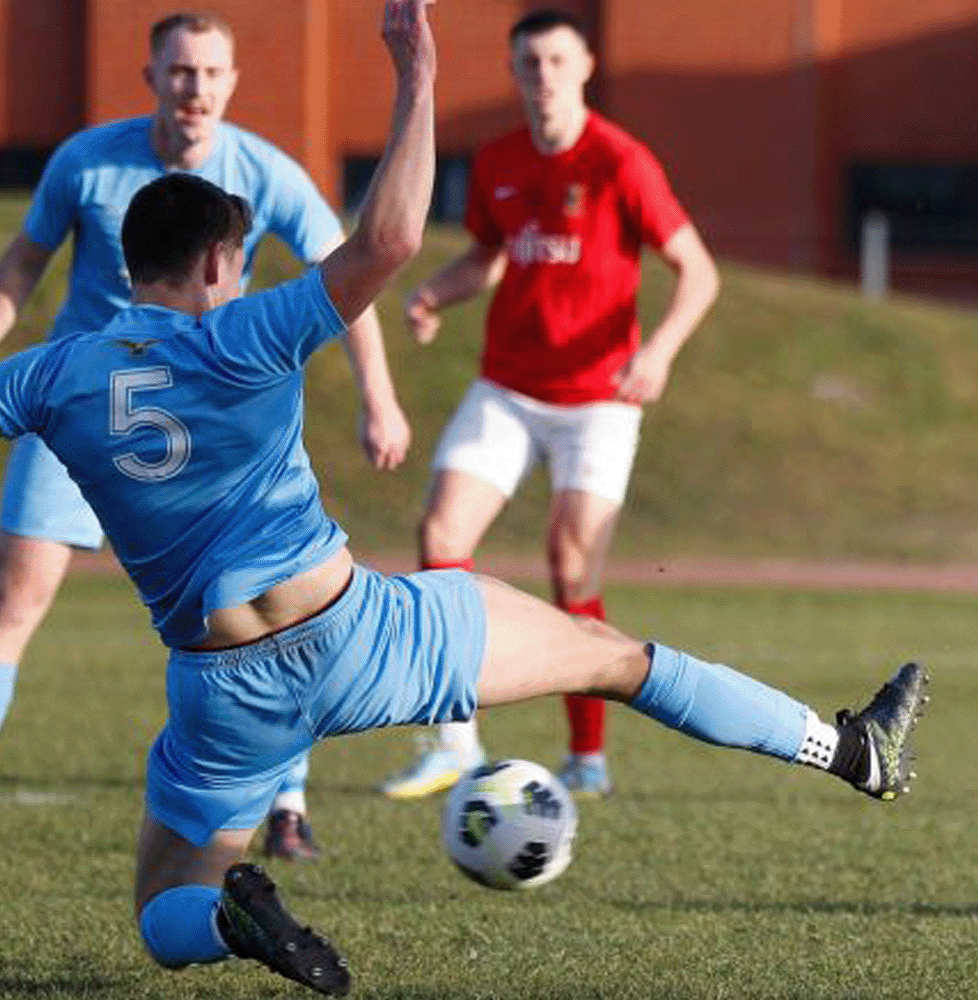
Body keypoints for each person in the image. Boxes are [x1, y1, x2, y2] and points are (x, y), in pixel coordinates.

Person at [0, 3, 926, 995]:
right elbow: (392, 237)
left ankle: (231, 916)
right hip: (364, 631)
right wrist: (416, 78)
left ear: (125, 261)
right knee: (619, 660)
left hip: (224, 690)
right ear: (220, 264)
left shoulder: (50, 377)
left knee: (159, 912)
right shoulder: (247, 333)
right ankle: (849, 749)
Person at [0, 10, 413, 861]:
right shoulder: (85, 160)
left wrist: (380, 394)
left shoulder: (268, 174)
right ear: (152, 77)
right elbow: (22, 266)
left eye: (211, 73)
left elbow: (348, 275)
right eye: (180, 71)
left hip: (214, 433)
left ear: (231, 83)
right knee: (14, 600)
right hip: (80, 409)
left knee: (271, 613)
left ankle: (287, 807)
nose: (194, 88)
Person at [380, 7, 720, 801]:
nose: (543, 76)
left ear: (586, 66)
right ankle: (455, 742)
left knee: (570, 566)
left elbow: (697, 272)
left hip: (601, 398)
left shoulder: (620, 161)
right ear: (514, 71)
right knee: (440, 535)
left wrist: (659, 352)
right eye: (529, 62)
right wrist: (435, 293)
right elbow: (489, 258)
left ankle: (588, 756)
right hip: (506, 387)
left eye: (558, 61)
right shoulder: (498, 159)